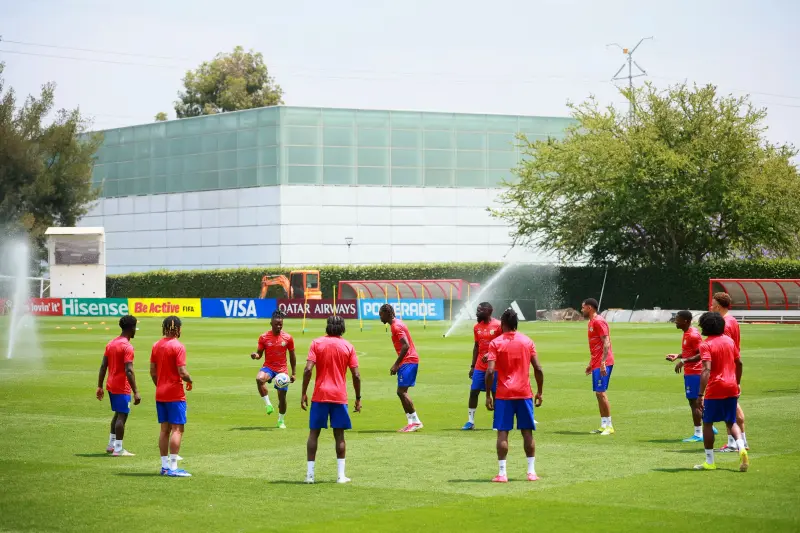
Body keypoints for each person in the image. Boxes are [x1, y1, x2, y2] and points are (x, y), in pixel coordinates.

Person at [485, 308, 544, 482]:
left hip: (504, 394)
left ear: (502, 324)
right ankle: (531, 472)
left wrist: (488, 394)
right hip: (524, 393)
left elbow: (490, 371)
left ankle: (502, 474)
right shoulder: (527, 341)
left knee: (503, 432)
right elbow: (538, 368)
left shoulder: (495, 343)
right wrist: (540, 392)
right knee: (527, 432)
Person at [301, 316, 361, 484]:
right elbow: (356, 375)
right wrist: (358, 398)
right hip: (339, 396)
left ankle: (310, 476)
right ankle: (341, 476)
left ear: (327, 326)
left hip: (320, 394)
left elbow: (307, 369)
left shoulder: (316, 343)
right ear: (343, 328)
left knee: (314, 433)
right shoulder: (348, 346)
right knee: (339, 435)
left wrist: (303, 392)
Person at [693, 312, 749, 472]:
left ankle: (709, 462)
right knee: (731, 421)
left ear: (706, 327)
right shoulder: (729, 341)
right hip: (731, 386)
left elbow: (706, 370)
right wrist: (737, 382)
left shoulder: (706, 344)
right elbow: (739, 363)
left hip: (715, 387)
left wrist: (700, 395)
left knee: (707, 423)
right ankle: (741, 447)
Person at [150, 316, 193, 477]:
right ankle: (174, 467)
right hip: (175, 393)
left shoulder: (156, 345)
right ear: (179, 329)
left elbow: (152, 371)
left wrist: (160, 385)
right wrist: (190, 380)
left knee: (164, 430)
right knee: (177, 429)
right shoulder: (178, 346)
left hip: (160, 392)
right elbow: (182, 372)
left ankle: (164, 466)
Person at [666, 310, 718, 442]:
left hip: (695, 372)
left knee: (694, 403)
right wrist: (678, 356)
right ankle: (710, 426)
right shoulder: (687, 332)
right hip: (691, 372)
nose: (675, 321)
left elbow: (702, 354)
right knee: (694, 402)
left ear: (685, 321)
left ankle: (699, 433)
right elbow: (691, 352)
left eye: (678, 319)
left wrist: (683, 361)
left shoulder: (693, 335)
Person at [96, 315, 140, 456]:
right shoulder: (127, 347)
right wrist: (136, 391)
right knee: (122, 416)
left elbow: (103, 366)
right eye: (135, 328)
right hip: (122, 386)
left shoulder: (111, 343)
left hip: (111, 385)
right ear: (131, 328)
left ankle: (111, 445)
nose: (135, 331)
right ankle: (119, 449)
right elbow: (129, 370)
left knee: (117, 414)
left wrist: (99, 386)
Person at [711, 292, 749, 452]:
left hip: (726, 368)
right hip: (732, 366)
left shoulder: (724, 324)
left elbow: (724, 348)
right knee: (733, 406)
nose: (711, 307)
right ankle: (740, 441)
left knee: (731, 406)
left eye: (712, 304)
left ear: (718, 306)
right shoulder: (732, 320)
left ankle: (735, 443)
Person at [379, 304, 423, 432]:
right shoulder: (397, 323)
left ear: (387, 313)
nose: (380, 317)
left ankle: (416, 422)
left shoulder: (396, 326)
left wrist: (396, 364)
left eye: (381, 314)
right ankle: (411, 422)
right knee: (401, 392)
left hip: (408, 360)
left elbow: (405, 345)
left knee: (401, 392)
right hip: (408, 360)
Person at [251, 310, 296, 428]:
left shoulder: (288, 338)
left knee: (282, 398)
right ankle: (268, 405)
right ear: (271, 323)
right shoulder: (264, 337)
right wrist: (256, 356)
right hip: (269, 367)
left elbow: (292, 356)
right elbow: (259, 354)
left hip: (282, 370)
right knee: (259, 379)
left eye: (281, 324)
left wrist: (294, 373)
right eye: (276, 324)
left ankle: (281, 420)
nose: (279, 326)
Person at [463, 302, 502, 430]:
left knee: (496, 393)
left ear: (488, 311)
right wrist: (472, 366)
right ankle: (470, 421)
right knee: (474, 391)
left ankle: (497, 422)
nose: (477, 312)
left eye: (480, 310)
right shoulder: (476, 327)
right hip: (480, 366)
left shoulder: (498, 325)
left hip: (495, 365)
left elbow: (503, 344)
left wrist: (491, 353)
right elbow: (476, 346)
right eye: (477, 310)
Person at [581, 298, 615, 435]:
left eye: (583, 307)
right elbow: (596, 346)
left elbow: (606, 342)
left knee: (601, 393)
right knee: (598, 394)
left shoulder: (599, 321)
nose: (581, 310)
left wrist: (603, 362)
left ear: (589, 308)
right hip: (596, 363)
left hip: (603, 363)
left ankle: (610, 426)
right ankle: (603, 424)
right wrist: (591, 363)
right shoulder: (591, 322)